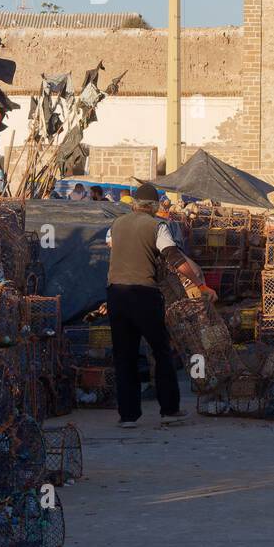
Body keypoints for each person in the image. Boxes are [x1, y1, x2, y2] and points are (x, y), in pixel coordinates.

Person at [106, 182, 215, 429]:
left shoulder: (117, 224)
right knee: (161, 350)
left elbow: (111, 245)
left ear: (134, 205)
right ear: (155, 206)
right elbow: (173, 257)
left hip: (115, 294)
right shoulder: (157, 226)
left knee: (125, 355)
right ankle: (169, 410)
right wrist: (200, 284)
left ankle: (128, 416)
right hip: (144, 293)